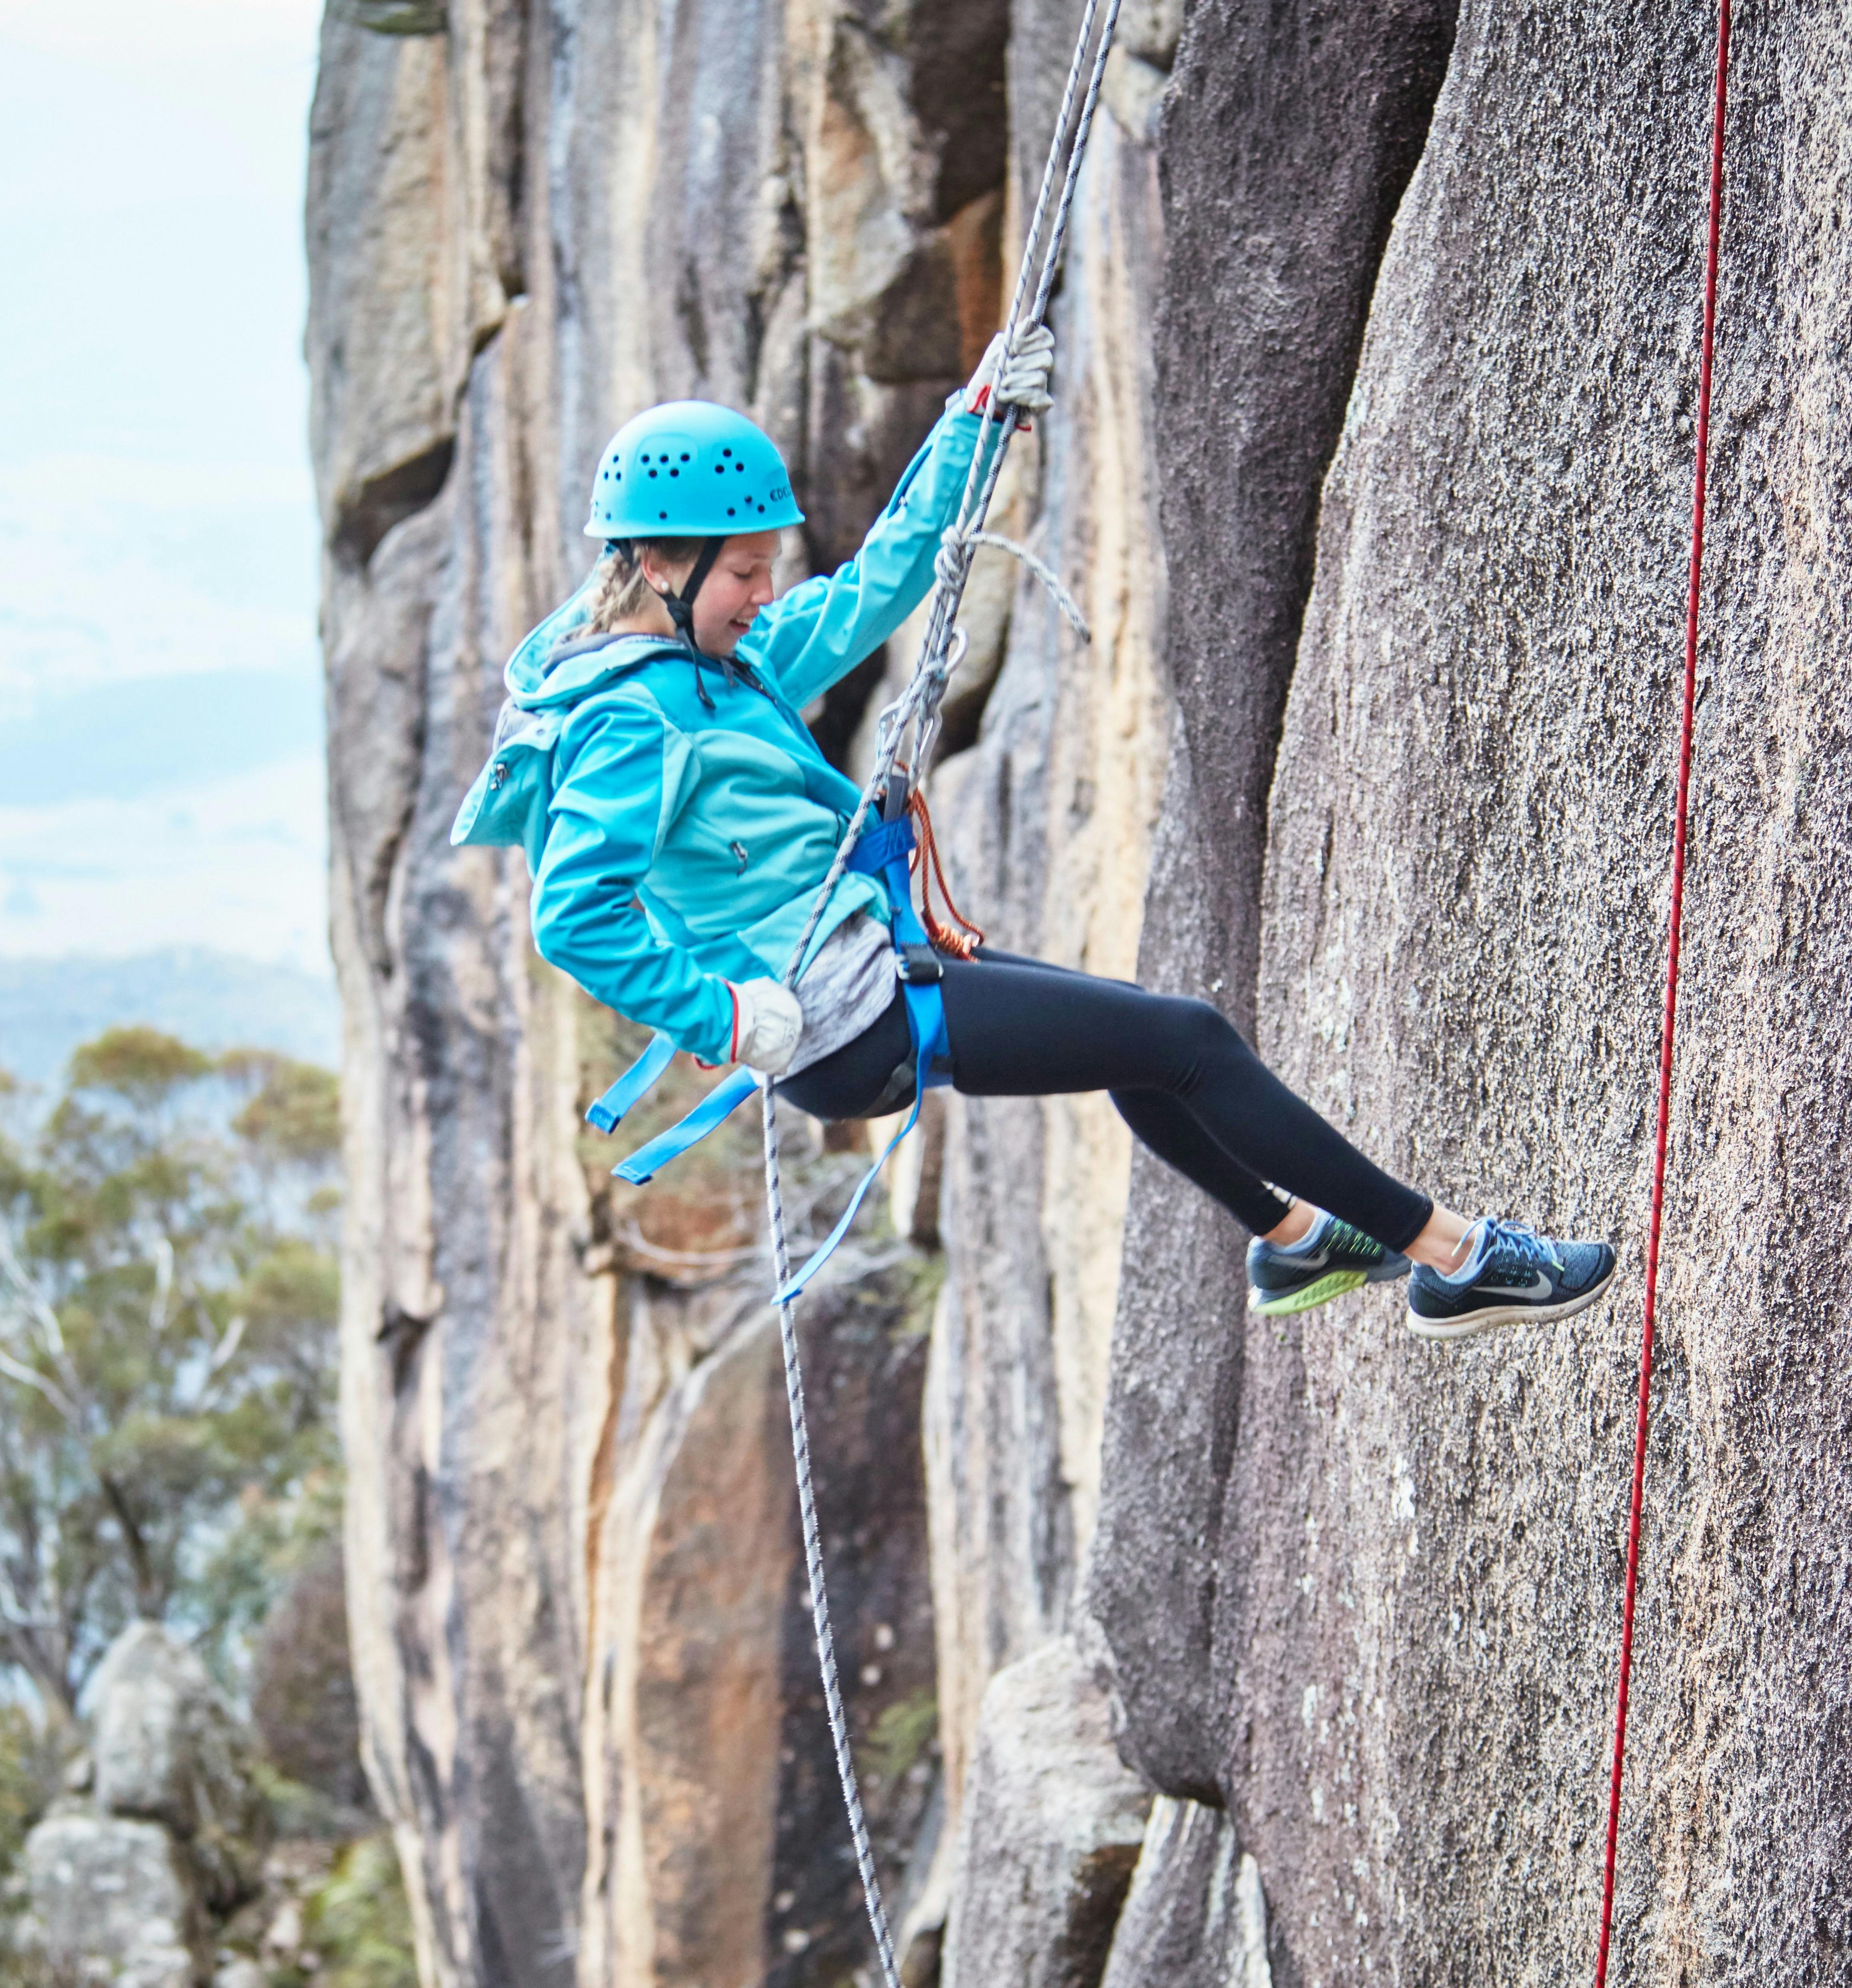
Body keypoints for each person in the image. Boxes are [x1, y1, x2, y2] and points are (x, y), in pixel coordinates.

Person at [451, 333, 1615, 1338]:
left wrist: (974, 425)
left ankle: (1296, 1238)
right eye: (744, 572)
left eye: (765, 571)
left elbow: (877, 585)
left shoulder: (719, 664)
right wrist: (722, 1014)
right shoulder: (627, 716)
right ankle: (1457, 1259)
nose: (763, 594)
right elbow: (573, 912)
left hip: (868, 972)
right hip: (840, 1019)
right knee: (1188, 1040)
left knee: (1143, 1047)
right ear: (659, 562)